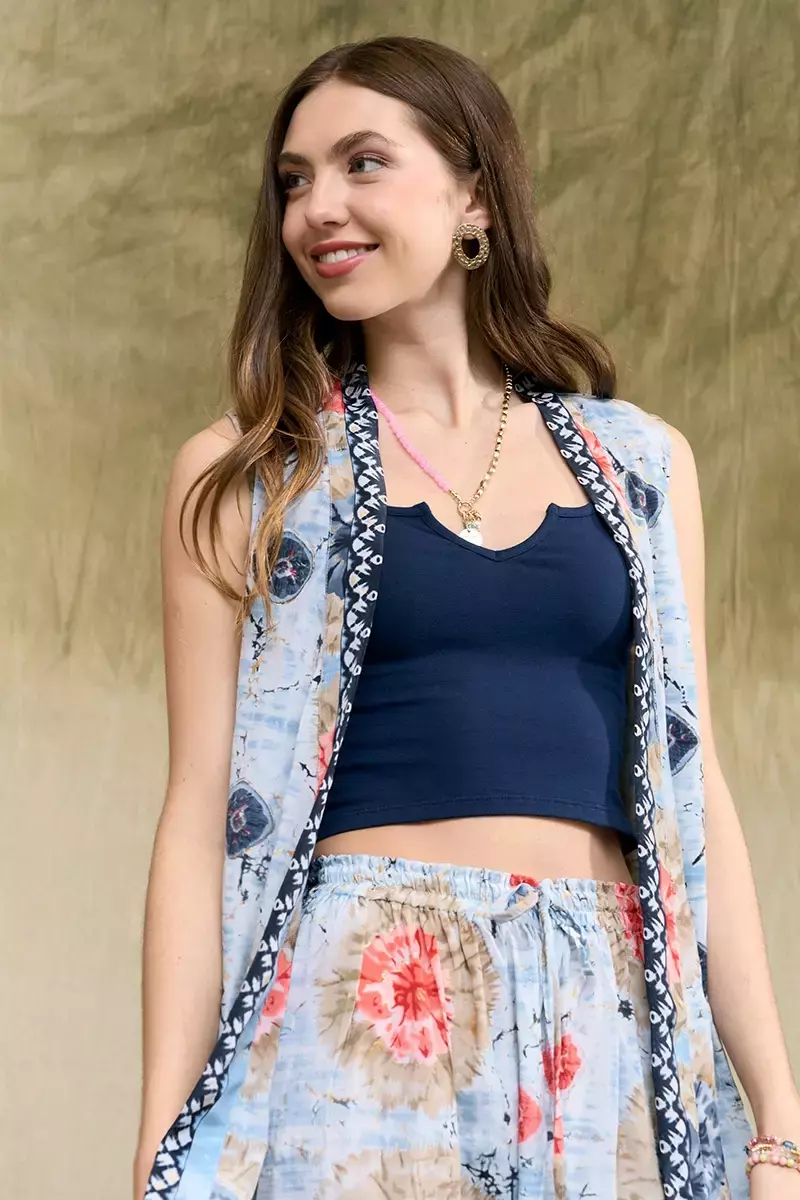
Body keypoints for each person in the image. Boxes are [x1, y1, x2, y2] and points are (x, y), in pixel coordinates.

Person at [135, 35, 799, 1200]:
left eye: (361, 163)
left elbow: (693, 786)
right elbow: (198, 815)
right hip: (360, 1001)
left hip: (606, 1003)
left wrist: (777, 1124)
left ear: (473, 196)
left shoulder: (639, 464)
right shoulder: (253, 473)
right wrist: (162, 1144)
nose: (317, 208)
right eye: (293, 180)